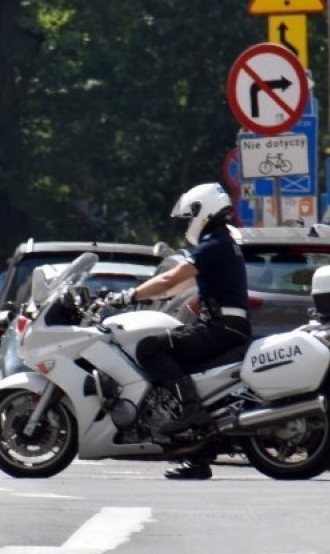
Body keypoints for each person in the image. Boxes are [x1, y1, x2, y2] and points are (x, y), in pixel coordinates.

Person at [104, 183, 250, 446]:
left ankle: (191, 409)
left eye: (189, 218)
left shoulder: (214, 245)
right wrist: (147, 294)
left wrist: (128, 296)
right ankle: (195, 449)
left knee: (149, 348)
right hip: (230, 326)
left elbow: (171, 277)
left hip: (220, 327)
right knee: (181, 362)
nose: (187, 225)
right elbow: (175, 286)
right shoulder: (224, 242)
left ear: (202, 211)